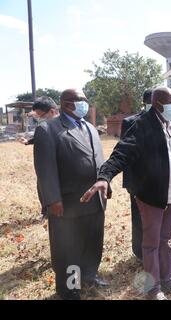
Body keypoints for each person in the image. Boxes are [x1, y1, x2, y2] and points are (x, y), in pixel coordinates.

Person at [81, 87, 171, 300]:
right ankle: (153, 289)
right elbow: (122, 152)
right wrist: (105, 176)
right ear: (158, 104)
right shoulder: (142, 125)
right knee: (150, 243)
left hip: (170, 192)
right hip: (151, 194)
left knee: (165, 240)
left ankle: (168, 280)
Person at [33, 89, 109, 300]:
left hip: (94, 199)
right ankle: (69, 288)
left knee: (92, 242)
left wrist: (105, 184)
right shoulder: (48, 129)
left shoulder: (91, 128)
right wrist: (52, 199)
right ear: (67, 104)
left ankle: (88, 276)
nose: (85, 104)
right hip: (67, 202)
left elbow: (98, 159)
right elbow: (45, 169)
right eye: (81, 100)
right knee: (68, 248)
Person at [120, 89, 152, 261]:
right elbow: (125, 153)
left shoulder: (166, 122)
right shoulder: (130, 122)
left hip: (160, 181)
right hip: (138, 182)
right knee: (139, 217)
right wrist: (129, 182)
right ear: (146, 102)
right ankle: (140, 252)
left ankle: (156, 249)